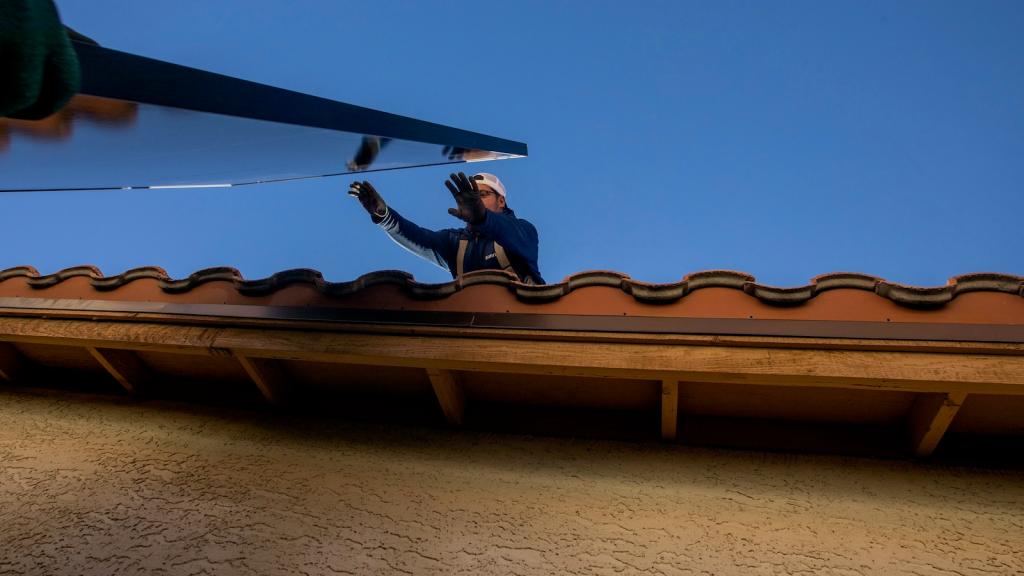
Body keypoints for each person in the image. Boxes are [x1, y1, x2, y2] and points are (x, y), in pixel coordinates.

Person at [349, 172, 544, 284]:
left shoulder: (523, 231)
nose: (476, 201)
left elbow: (506, 230)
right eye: (472, 197)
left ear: (501, 201)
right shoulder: (455, 243)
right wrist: (383, 215)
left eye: (482, 195)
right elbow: (416, 237)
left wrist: (481, 217)